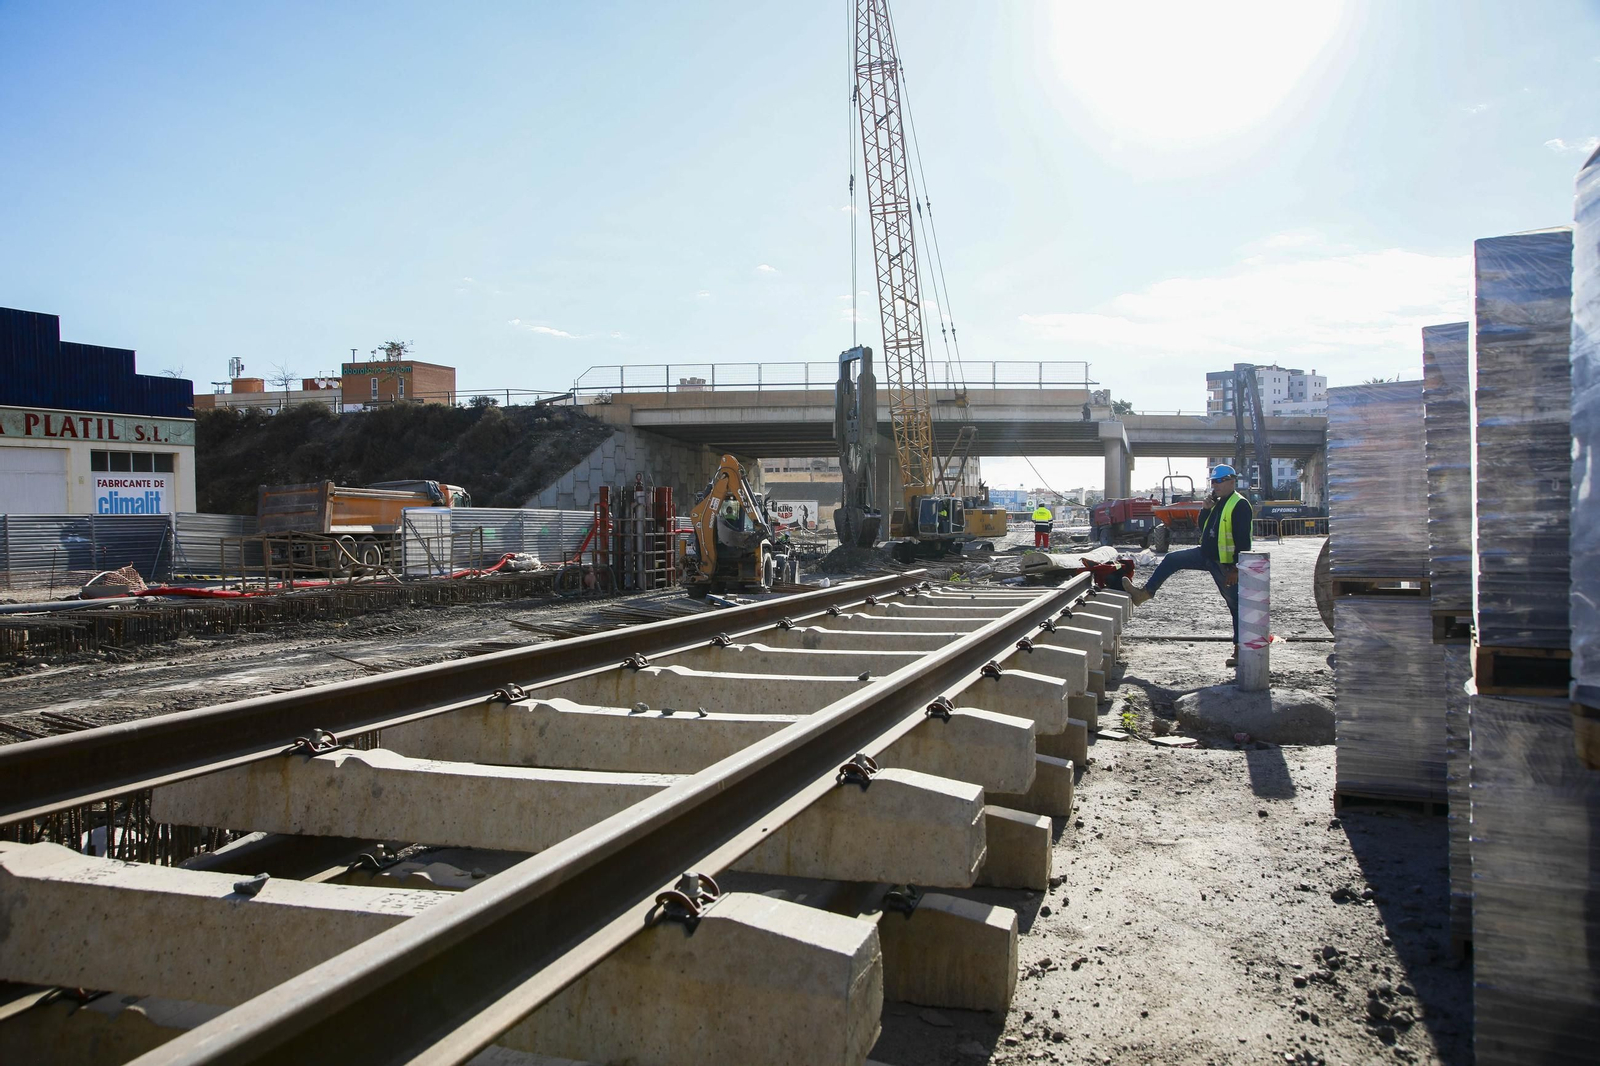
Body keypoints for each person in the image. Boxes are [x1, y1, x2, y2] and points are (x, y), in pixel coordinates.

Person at [1126, 465, 1253, 666]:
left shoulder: (1240, 504)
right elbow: (1203, 526)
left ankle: (1240, 650)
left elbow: (1243, 540)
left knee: (1236, 606)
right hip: (1206, 555)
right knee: (1171, 559)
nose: (1215, 485)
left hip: (1225, 563)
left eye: (1218, 481)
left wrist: (1236, 568)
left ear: (1231, 481)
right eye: (1213, 482)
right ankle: (1145, 593)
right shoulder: (1218, 503)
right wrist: (1205, 509)